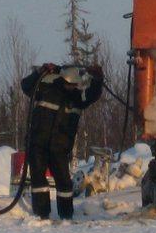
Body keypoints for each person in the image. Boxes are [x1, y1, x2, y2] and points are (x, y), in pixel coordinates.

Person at [21, 61, 104, 220]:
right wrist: (39, 72)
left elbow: (93, 94)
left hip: (60, 148)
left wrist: (98, 79)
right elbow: (25, 86)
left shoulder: (78, 98)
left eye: (75, 85)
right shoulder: (47, 88)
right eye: (70, 85)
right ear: (64, 80)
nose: (72, 87)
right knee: (38, 181)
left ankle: (66, 216)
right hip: (38, 144)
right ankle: (41, 215)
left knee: (65, 183)